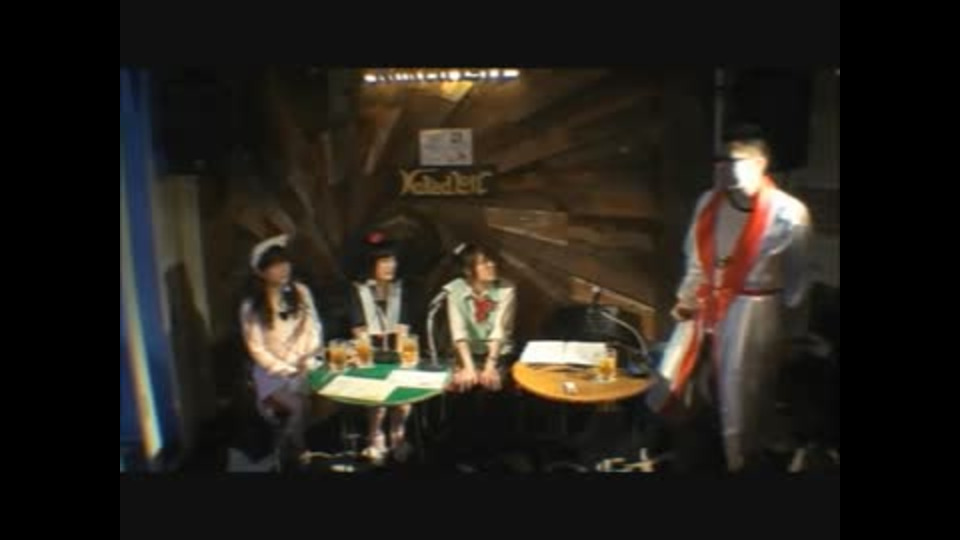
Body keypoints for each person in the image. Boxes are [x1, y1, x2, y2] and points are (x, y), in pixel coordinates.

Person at [648, 125, 813, 472]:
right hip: (705, 308)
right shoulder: (709, 203)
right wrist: (686, 298)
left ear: (760, 163)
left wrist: (791, 332)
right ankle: (688, 452)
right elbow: (696, 260)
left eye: (733, 160)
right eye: (720, 160)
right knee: (683, 381)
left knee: (743, 393)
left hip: (754, 313)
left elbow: (798, 279)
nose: (723, 168)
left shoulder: (789, 213)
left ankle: (740, 460)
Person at [239, 234, 324, 458]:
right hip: (272, 373)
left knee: (327, 400)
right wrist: (286, 369)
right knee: (299, 406)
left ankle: (286, 447)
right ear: (262, 272)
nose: (283, 269)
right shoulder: (251, 306)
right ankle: (297, 452)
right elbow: (256, 349)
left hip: (305, 366)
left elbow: (314, 328)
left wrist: (309, 357)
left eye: (285, 262)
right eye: (275, 265)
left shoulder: (302, 292)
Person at [347, 231, 420, 463]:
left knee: (403, 393)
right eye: (385, 261)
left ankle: (397, 434)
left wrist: (400, 361)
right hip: (367, 353)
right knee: (377, 393)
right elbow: (360, 332)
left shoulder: (399, 289)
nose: (391, 266)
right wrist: (371, 363)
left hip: (395, 352)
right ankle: (375, 436)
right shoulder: (359, 290)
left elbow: (403, 329)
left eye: (393, 260)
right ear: (372, 264)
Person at [443, 243, 517, 393]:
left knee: (492, 383)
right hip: (467, 353)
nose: (492, 264)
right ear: (468, 270)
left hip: (498, 353)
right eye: (484, 262)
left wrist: (490, 366)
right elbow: (458, 332)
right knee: (456, 384)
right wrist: (469, 367)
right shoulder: (454, 290)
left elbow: (500, 330)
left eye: (491, 260)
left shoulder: (506, 289)